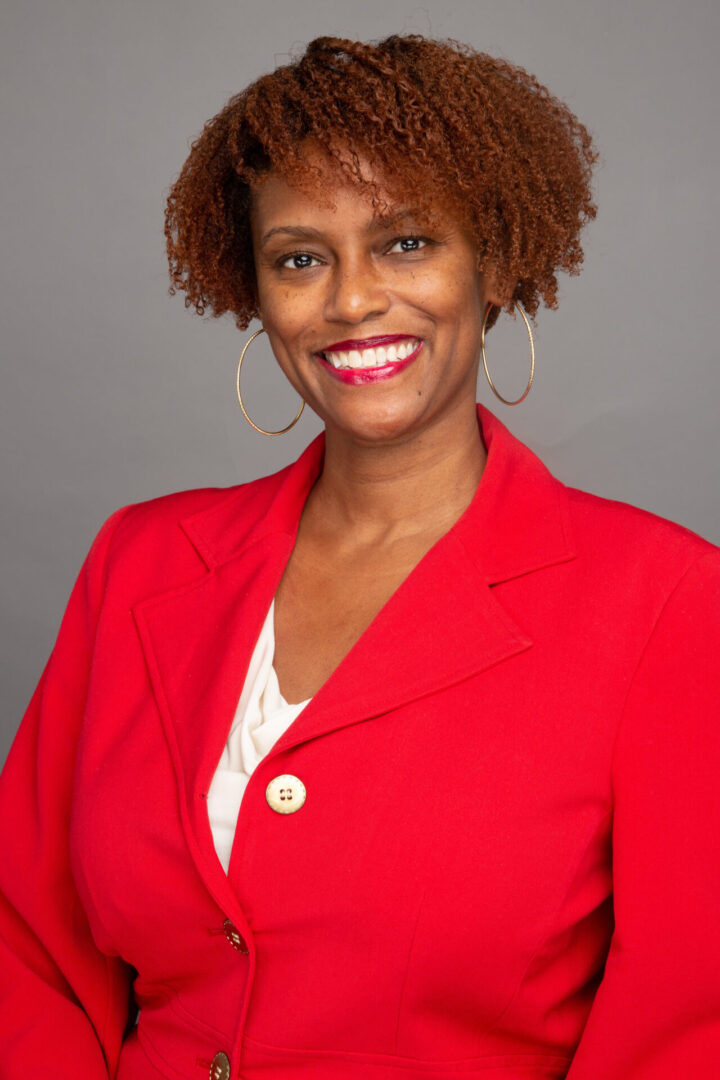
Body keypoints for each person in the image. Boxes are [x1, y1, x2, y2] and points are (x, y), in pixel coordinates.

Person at [1, 33, 718, 1080]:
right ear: (254, 291)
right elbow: (29, 950)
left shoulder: (666, 602)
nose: (349, 301)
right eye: (301, 257)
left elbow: (683, 1025)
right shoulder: (139, 562)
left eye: (406, 243)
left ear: (498, 260)